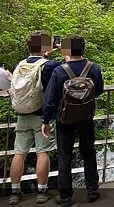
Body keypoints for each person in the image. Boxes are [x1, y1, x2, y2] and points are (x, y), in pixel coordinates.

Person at [42, 35, 104, 206]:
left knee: (65, 156)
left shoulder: (60, 71)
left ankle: (65, 195)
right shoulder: (94, 68)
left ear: (67, 50)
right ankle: (92, 189)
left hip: (64, 118)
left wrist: (45, 120)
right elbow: (98, 90)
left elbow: (51, 98)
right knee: (89, 152)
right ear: (83, 49)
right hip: (86, 117)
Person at [8, 31, 60, 205]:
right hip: (42, 116)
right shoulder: (49, 66)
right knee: (42, 153)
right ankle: (41, 191)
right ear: (45, 46)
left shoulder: (21, 65)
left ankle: (14, 191)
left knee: (19, 153)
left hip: (22, 114)